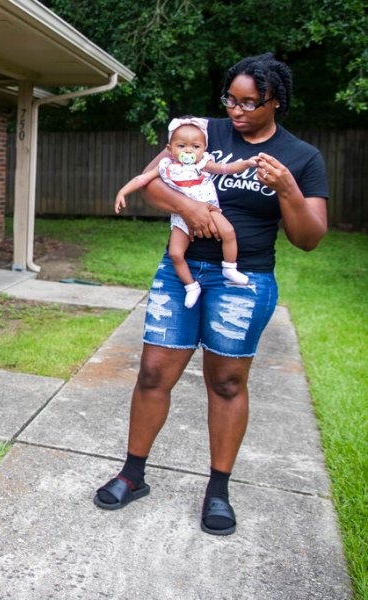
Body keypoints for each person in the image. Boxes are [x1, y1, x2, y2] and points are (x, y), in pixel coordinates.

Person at [93, 53, 328, 536]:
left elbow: (309, 237)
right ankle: (132, 475)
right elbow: (155, 181)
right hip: (179, 272)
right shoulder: (201, 130)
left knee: (225, 382)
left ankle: (217, 489)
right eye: (231, 99)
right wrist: (189, 209)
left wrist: (288, 191)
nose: (236, 111)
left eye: (249, 103)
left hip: (246, 278)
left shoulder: (302, 158)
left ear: (275, 102)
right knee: (155, 371)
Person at [114, 117, 258, 307]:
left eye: (195, 146)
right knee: (175, 253)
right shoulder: (166, 166)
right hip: (181, 216)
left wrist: (247, 164)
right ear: (169, 148)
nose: (188, 150)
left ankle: (229, 267)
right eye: (181, 145)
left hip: (208, 208)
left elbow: (227, 168)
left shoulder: (203, 164)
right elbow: (143, 179)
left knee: (229, 232)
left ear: (204, 148)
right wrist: (123, 191)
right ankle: (191, 286)